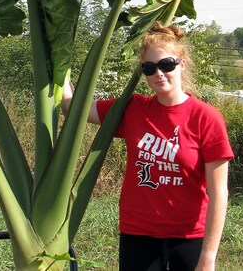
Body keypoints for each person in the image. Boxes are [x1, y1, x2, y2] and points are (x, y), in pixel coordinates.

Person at [62, 23, 233, 271]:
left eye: (166, 65)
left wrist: (208, 258)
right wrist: (60, 62)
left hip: (188, 236)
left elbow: (219, 194)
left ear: (181, 64)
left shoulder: (206, 118)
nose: (159, 74)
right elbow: (72, 109)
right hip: (138, 233)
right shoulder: (133, 108)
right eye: (149, 68)